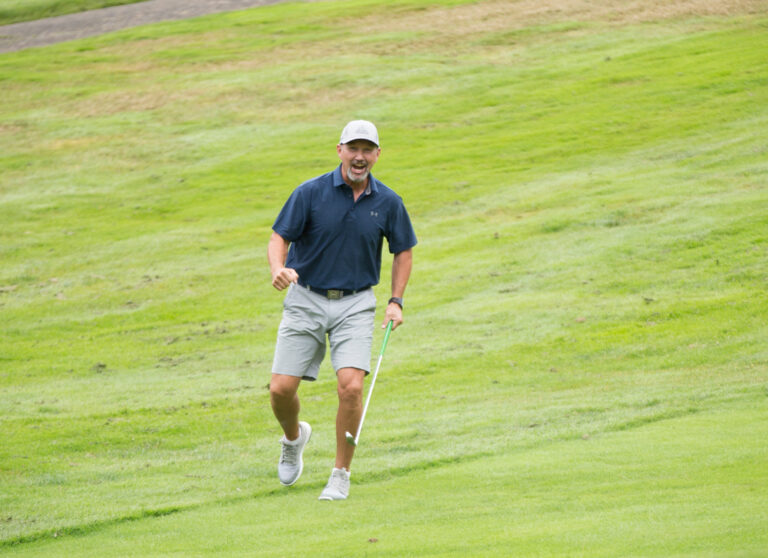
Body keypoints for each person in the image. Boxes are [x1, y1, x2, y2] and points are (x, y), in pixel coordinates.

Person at [267, 120, 417, 501]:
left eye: (368, 150)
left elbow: (403, 250)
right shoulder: (310, 193)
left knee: (351, 387)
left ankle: (340, 473)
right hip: (306, 296)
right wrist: (278, 268)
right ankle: (293, 437)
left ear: (377, 155)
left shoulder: (388, 202)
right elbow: (279, 237)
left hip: (355, 302)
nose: (360, 157)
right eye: (354, 148)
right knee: (281, 390)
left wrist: (396, 301)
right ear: (340, 151)